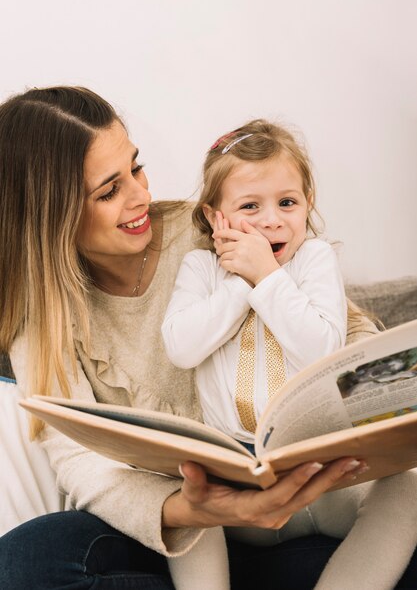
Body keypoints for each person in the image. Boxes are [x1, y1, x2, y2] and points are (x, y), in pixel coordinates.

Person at [0, 86, 414, 590]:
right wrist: (184, 507)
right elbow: (80, 464)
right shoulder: (43, 319)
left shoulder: (214, 229)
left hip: (308, 516)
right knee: (26, 560)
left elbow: (343, 330)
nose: (140, 197)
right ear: (52, 216)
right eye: (109, 191)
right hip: (188, 534)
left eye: (137, 167)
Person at [162, 120, 417, 590]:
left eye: (287, 203)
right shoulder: (200, 269)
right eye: (249, 207)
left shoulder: (315, 260)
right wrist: (242, 279)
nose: (272, 220)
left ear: (307, 205)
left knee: (409, 486)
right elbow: (180, 346)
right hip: (241, 486)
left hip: (322, 479)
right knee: (183, 495)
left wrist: (268, 277)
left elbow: (322, 344)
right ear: (215, 217)